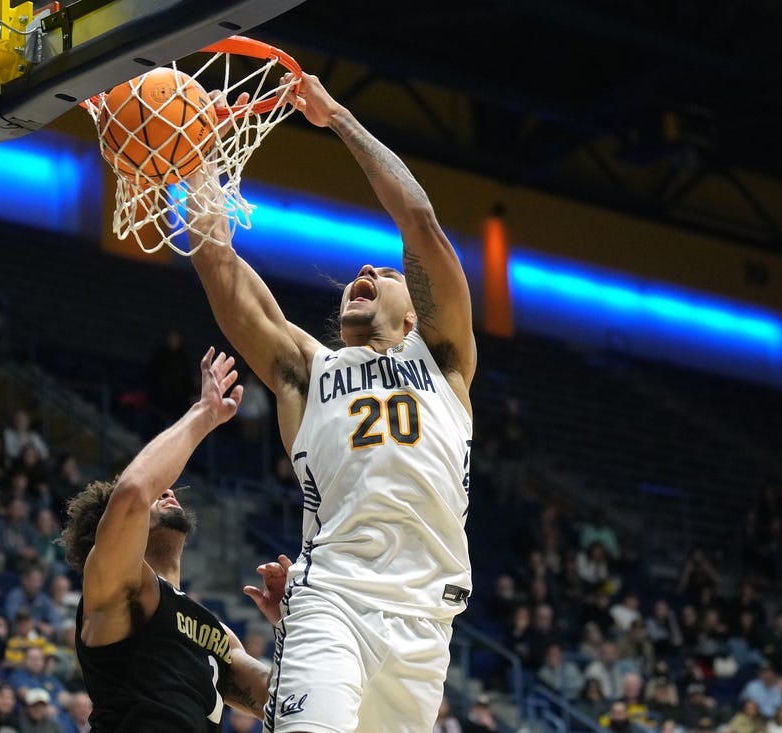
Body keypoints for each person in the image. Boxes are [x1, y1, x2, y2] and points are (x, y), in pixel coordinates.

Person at [188, 71, 475, 733]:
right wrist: (195, 156)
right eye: (359, 273)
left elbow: (420, 220)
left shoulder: (442, 360)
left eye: (386, 273)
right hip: (331, 600)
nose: (365, 274)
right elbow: (219, 265)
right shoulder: (306, 370)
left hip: (426, 627)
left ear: (412, 318)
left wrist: (338, 117)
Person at [59, 348, 275, 730]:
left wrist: (294, 626)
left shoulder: (218, 635)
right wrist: (202, 414)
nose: (168, 490)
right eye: (157, 494)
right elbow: (132, 494)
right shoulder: (115, 586)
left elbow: (278, 699)